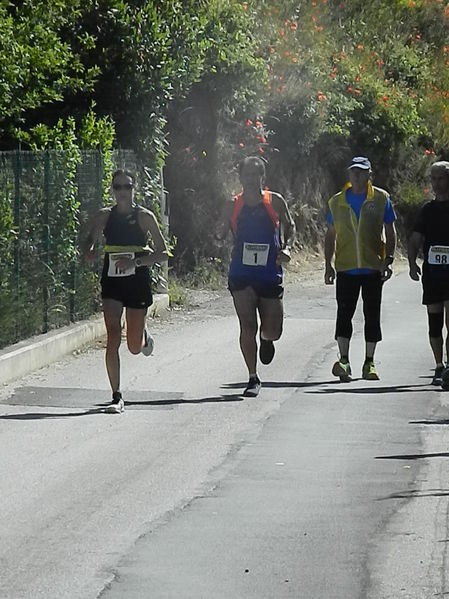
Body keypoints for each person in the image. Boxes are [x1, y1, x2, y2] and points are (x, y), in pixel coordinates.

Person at [82, 169, 168, 413]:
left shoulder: (145, 217)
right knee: (112, 335)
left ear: (134, 189)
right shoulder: (104, 216)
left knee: (133, 346)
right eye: (118, 187)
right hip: (112, 280)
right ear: (113, 190)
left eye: (127, 187)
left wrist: (136, 263)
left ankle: (142, 333)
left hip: (137, 279)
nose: (122, 192)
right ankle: (116, 396)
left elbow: (162, 253)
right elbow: (90, 238)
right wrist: (89, 249)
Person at [216, 156, 295, 397]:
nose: (250, 179)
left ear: (262, 177)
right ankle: (252, 377)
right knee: (247, 325)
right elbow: (220, 229)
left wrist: (287, 248)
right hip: (241, 272)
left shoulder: (275, 201)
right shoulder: (233, 204)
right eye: (246, 175)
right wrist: (218, 233)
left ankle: (267, 339)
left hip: (269, 272)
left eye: (255, 174)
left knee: (274, 330)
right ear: (240, 178)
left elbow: (290, 227)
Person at [324, 156, 397, 382]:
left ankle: (369, 362)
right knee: (344, 315)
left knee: (371, 316)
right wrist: (328, 264)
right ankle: (344, 360)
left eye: (362, 171)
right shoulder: (336, 202)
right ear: (349, 174)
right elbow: (329, 235)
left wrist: (389, 259)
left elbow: (391, 230)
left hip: (372, 267)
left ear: (369, 175)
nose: (357, 175)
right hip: (346, 268)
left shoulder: (381, 198)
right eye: (354, 171)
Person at [408, 160, 449, 386]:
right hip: (432, 274)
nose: (436, 183)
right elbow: (415, 239)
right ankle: (439, 366)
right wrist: (412, 263)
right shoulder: (427, 210)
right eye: (433, 179)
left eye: (440, 178)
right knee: (434, 323)